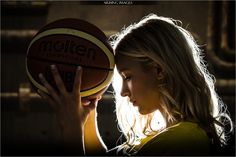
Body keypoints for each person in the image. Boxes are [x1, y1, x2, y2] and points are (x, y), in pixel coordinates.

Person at [37, 14, 233, 156]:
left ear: (159, 71)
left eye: (128, 77)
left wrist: (70, 132)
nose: (122, 92)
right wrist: (86, 119)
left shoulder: (186, 140)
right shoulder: (168, 136)